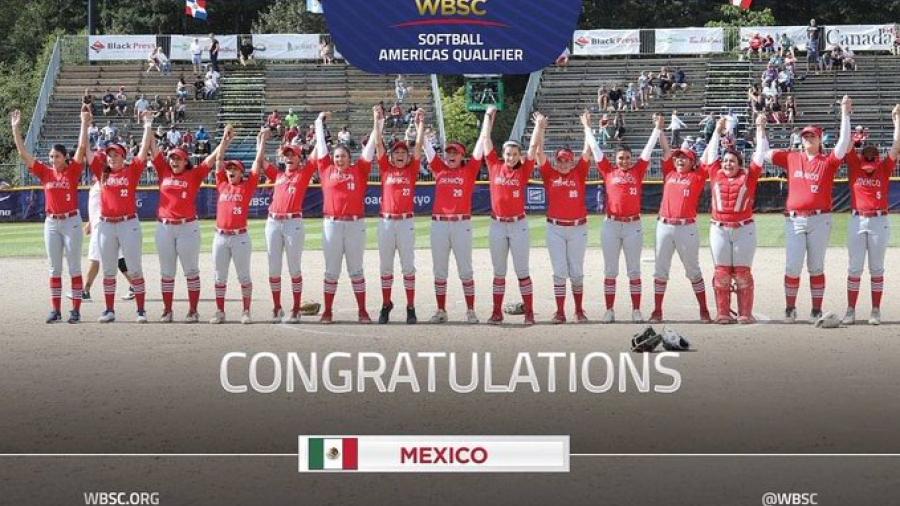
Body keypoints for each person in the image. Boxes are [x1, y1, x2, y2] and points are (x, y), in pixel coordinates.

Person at [760, 95, 852, 323]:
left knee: (816, 266)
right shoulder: (792, 157)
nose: (808, 138)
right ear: (801, 140)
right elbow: (764, 153)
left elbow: (843, 143)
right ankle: (790, 308)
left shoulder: (827, 161)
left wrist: (845, 112)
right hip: (794, 220)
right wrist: (760, 129)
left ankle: (816, 310)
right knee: (792, 266)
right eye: (805, 136)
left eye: (812, 135)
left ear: (820, 139)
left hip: (820, 219)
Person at [10, 108, 90, 323]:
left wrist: (84, 122)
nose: (53, 159)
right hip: (52, 223)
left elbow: (82, 148)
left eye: (57, 156)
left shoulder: (72, 171)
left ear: (65, 157)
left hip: (72, 221)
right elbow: (23, 155)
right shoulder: (45, 172)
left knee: (74, 267)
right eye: (51, 156)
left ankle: (76, 310)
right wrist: (15, 129)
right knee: (54, 267)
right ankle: (56, 310)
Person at [150, 123, 229, 323]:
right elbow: (152, 146)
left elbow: (211, 161)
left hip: (187, 227)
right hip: (164, 227)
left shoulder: (193, 175)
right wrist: (149, 124)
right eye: (172, 158)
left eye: (178, 158)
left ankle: (193, 311)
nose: (174, 161)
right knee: (167, 272)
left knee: (191, 271)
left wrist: (224, 141)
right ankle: (167, 310)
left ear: (186, 162)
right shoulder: (163, 172)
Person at [590, 113, 661, 323]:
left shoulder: (638, 171)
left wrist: (657, 128)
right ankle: (609, 310)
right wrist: (587, 128)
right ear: (615, 159)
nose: (624, 161)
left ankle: (636, 310)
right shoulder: (608, 170)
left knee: (634, 270)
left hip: (633, 225)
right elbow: (595, 150)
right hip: (611, 225)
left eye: (627, 158)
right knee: (610, 270)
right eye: (621, 158)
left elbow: (648, 151)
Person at [86, 110, 154, 323]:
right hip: (106, 225)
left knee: (134, 268)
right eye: (110, 154)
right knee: (108, 270)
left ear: (124, 157)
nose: (112, 157)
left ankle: (141, 310)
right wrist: (84, 125)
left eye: (116, 154)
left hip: (128, 224)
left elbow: (143, 150)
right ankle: (109, 310)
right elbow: (85, 150)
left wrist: (148, 125)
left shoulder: (131, 171)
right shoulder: (102, 173)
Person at [315, 108, 380, 323]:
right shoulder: (325, 170)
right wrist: (319, 121)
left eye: (343, 156)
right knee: (331, 270)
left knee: (356, 269)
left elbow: (371, 147)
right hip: (332, 224)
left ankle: (362, 311)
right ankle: (327, 311)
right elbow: (322, 146)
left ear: (349, 158)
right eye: (336, 156)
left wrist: (377, 122)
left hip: (354, 225)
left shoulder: (359, 170)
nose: (339, 159)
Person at [840, 105, 900, 325]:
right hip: (858, 219)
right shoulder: (855, 165)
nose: (871, 155)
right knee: (855, 267)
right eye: (868, 152)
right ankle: (850, 310)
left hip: (879, 220)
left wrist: (897, 122)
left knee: (876, 268)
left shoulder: (883, 168)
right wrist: (846, 115)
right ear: (863, 154)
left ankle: (875, 310)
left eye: (874, 154)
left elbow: (896, 146)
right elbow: (846, 145)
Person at [479, 104, 538, 325]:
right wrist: (488, 115)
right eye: (508, 153)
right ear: (502, 154)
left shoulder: (523, 170)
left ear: (518, 155)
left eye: (514, 154)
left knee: (522, 270)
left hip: (518, 224)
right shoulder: (494, 165)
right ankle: (496, 312)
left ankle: (530, 312)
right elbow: (486, 140)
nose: (511, 157)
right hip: (497, 225)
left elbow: (533, 148)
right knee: (499, 271)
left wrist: (538, 126)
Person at [651, 115, 713, 323]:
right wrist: (659, 129)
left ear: (692, 162)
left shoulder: (697, 176)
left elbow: (707, 156)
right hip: (664, 225)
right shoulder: (669, 173)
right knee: (660, 270)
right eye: (678, 157)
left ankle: (704, 309)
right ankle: (657, 311)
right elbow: (666, 151)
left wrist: (717, 133)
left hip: (687, 227)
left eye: (684, 157)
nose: (679, 159)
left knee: (693, 270)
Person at [422, 131, 484, 324]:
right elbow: (426, 147)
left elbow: (481, 145)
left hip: (461, 224)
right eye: (448, 152)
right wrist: (420, 126)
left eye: (455, 153)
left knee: (465, 270)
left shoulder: (470, 170)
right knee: (440, 270)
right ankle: (441, 310)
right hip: (439, 224)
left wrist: (488, 120)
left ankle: (471, 310)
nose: (451, 156)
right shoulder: (439, 168)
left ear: (462, 156)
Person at [709, 115, 765, 324]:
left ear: (739, 163)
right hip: (719, 228)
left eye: (732, 161)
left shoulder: (748, 176)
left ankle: (745, 313)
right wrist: (716, 130)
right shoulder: (715, 173)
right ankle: (722, 312)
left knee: (742, 273)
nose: (727, 164)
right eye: (725, 161)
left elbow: (759, 154)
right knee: (721, 272)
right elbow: (710, 155)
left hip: (744, 229)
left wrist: (759, 128)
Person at [534, 112, 589, 323]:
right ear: (556, 161)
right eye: (560, 160)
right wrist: (541, 129)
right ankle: (560, 311)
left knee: (576, 270)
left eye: (567, 160)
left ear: (572, 161)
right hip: (555, 228)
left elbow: (588, 151)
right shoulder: (550, 174)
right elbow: (538, 152)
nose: (564, 163)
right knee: (559, 270)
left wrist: (586, 126)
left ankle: (579, 310)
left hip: (577, 228)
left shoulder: (579, 172)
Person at [375, 108, 424, 324]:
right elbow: (378, 145)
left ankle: (410, 307)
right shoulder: (386, 168)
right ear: (392, 156)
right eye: (397, 153)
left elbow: (419, 147)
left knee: (407, 266)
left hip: (405, 222)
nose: (401, 155)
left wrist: (420, 123)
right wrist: (377, 122)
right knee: (386, 267)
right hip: (386, 222)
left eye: (403, 152)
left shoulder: (411, 170)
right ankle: (386, 304)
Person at [261, 135, 318, 323]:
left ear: (299, 158)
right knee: (274, 268)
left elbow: (316, 156)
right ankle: (277, 307)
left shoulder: (303, 173)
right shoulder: (277, 175)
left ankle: (295, 308)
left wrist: (319, 128)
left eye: (292, 155)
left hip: (293, 223)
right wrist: (261, 141)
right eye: (286, 155)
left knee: (294, 268)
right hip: (273, 223)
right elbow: (260, 161)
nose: (289, 158)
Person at [209, 130, 257, 324]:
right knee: (220, 276)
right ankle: (220, 311)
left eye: (234, 169)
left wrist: (259, 141)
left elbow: (256, 167)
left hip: (240, 237)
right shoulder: (221, 184)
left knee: (243, 276)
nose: (230, 171)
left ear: (241, 172)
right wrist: (224, 140)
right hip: (220, 237)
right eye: (229, 169)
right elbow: (219, 159)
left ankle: (246, 311)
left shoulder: (247, 186)